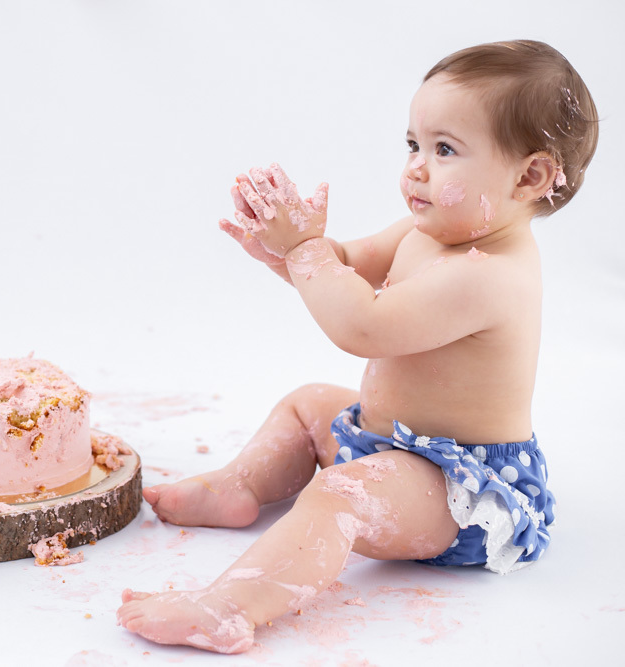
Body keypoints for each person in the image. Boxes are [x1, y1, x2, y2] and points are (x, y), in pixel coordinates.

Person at [116, 40, 599, 654]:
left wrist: (304, 252)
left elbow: (362, 326)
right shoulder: (428, 232)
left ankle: (228, 607)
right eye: (413, 145)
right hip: (389, 444)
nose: (416, 168)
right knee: (308, 402)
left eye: (445, 150)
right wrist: (286, 252)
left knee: (338, 494)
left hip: (460, 491)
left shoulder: (491, 276)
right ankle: (240, 486)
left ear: (529, 176)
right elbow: (343, 267)